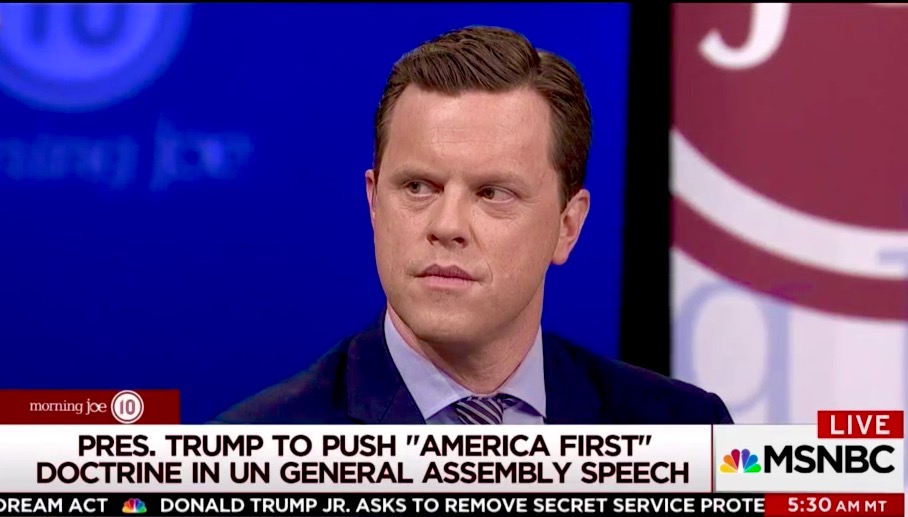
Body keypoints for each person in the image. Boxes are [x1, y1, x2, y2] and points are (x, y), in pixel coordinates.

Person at [212, 26, 733, 425]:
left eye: (492, 193)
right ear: (374, 202)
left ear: (567, 226)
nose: (447, 225)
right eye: (419, 187)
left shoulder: (689, 432)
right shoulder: (251, 457)